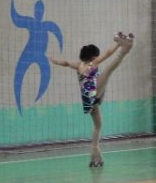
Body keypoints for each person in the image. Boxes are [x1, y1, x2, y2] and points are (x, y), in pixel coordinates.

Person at [49, 32, 134, 167]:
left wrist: (54, 60)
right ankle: (124, 50)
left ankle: (95, 153)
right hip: (93, 92)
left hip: (88, 101)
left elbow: (65, 63)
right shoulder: (93, 63)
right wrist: (117, 44)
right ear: (93, 56)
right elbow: (107, 53)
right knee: (108, 70)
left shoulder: (78, 65)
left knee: (98, 126)